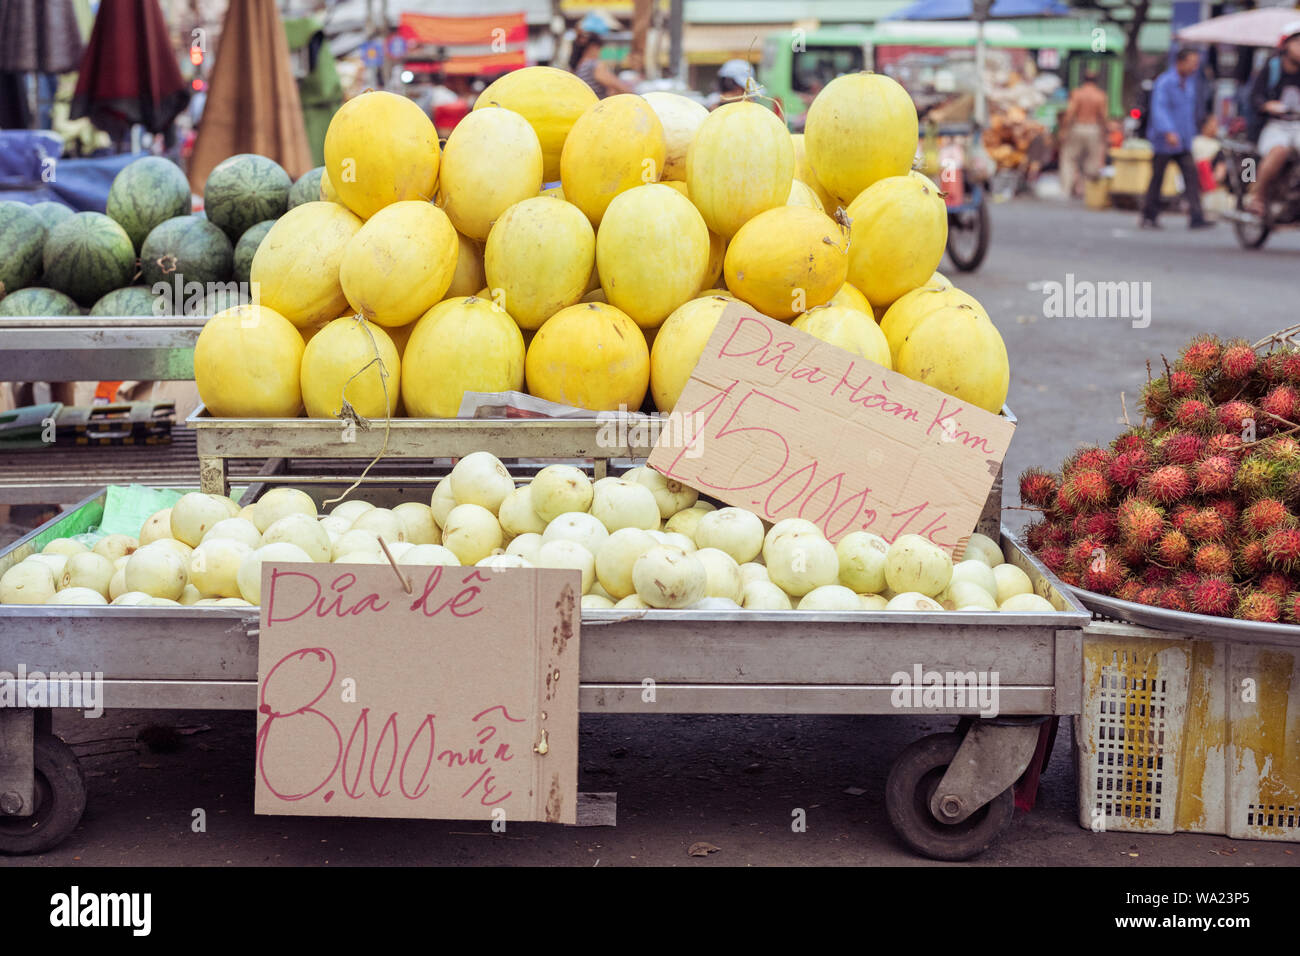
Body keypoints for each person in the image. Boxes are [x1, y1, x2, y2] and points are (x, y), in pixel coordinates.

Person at [1141, 48, 1212, 229]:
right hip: (1164, 141)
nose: (1195, 67)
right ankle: (1149, 215)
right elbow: (1159, 109)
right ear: (1180, 62)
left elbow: (1189, 112)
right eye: (1192, 63)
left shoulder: (1189, 83)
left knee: (1191, 177)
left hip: (1183, 140)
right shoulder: (1165, 82)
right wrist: (1168, 131)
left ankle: (1196, 216)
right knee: (1157, 179)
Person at [1244, 23, 1300, 217]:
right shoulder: (1271, 68)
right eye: (1298, 42)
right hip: (1274, 125)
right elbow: (1254, 98)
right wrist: (1269, 105)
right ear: (1286, 45)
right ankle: (1257, 197)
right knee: (1279, 151)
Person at [1058, 70, 1109, 200]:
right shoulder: (1100, 95)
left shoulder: (1078, 93)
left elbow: (1070, 113)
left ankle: (1066, 189)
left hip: (1078, 126)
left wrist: (1064, 130)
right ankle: (1088, 191)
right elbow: (1103, 117)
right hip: (1093, 129)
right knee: (1092, 160)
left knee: (1069, 159)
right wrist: (1104, 133)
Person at [569, 17, 633, 99]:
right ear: (593, 47)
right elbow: (616, 84)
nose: (600, 52)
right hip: (598, 106)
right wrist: (633, 94)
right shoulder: (593, 65)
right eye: (599, 48)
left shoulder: (579, 65)